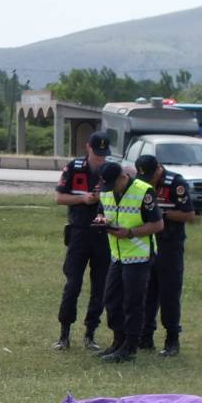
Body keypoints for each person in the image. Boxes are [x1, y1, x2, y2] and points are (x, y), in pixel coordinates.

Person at [94, 161, 164, 362]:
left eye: (112, 185)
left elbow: (158, 224)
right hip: (118, 254)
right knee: (111, 298)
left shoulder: (144, 191)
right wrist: (100, 219)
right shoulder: (107, 190)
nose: (108, 190)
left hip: (139, 255)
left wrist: (130, 233)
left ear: (123, 177)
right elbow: (102, 209)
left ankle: (130, 347)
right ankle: (118, 340)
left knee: (133, 301)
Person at [52, 131, 113, 351]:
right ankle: (64, 334)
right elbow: (59, 197)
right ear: (88, 147)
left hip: (103, 236)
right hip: (79, 233)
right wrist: (83, 199)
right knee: (73, 285)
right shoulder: (74, 167)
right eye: (97, 153)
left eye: (104, 154)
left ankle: (90, 333)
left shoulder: (111, 171)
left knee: (100, 287)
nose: (100, 158)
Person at [136, 154, 195, 357]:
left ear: (159, 169)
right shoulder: (141, 184)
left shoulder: (175, 184)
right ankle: (145, 337)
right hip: (148, 244)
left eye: (151, 176)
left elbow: (189, 214)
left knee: (169, 293)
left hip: (170, 245)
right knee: (147, 292)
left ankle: (172, 339)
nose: (149, 181)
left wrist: (162, 215)